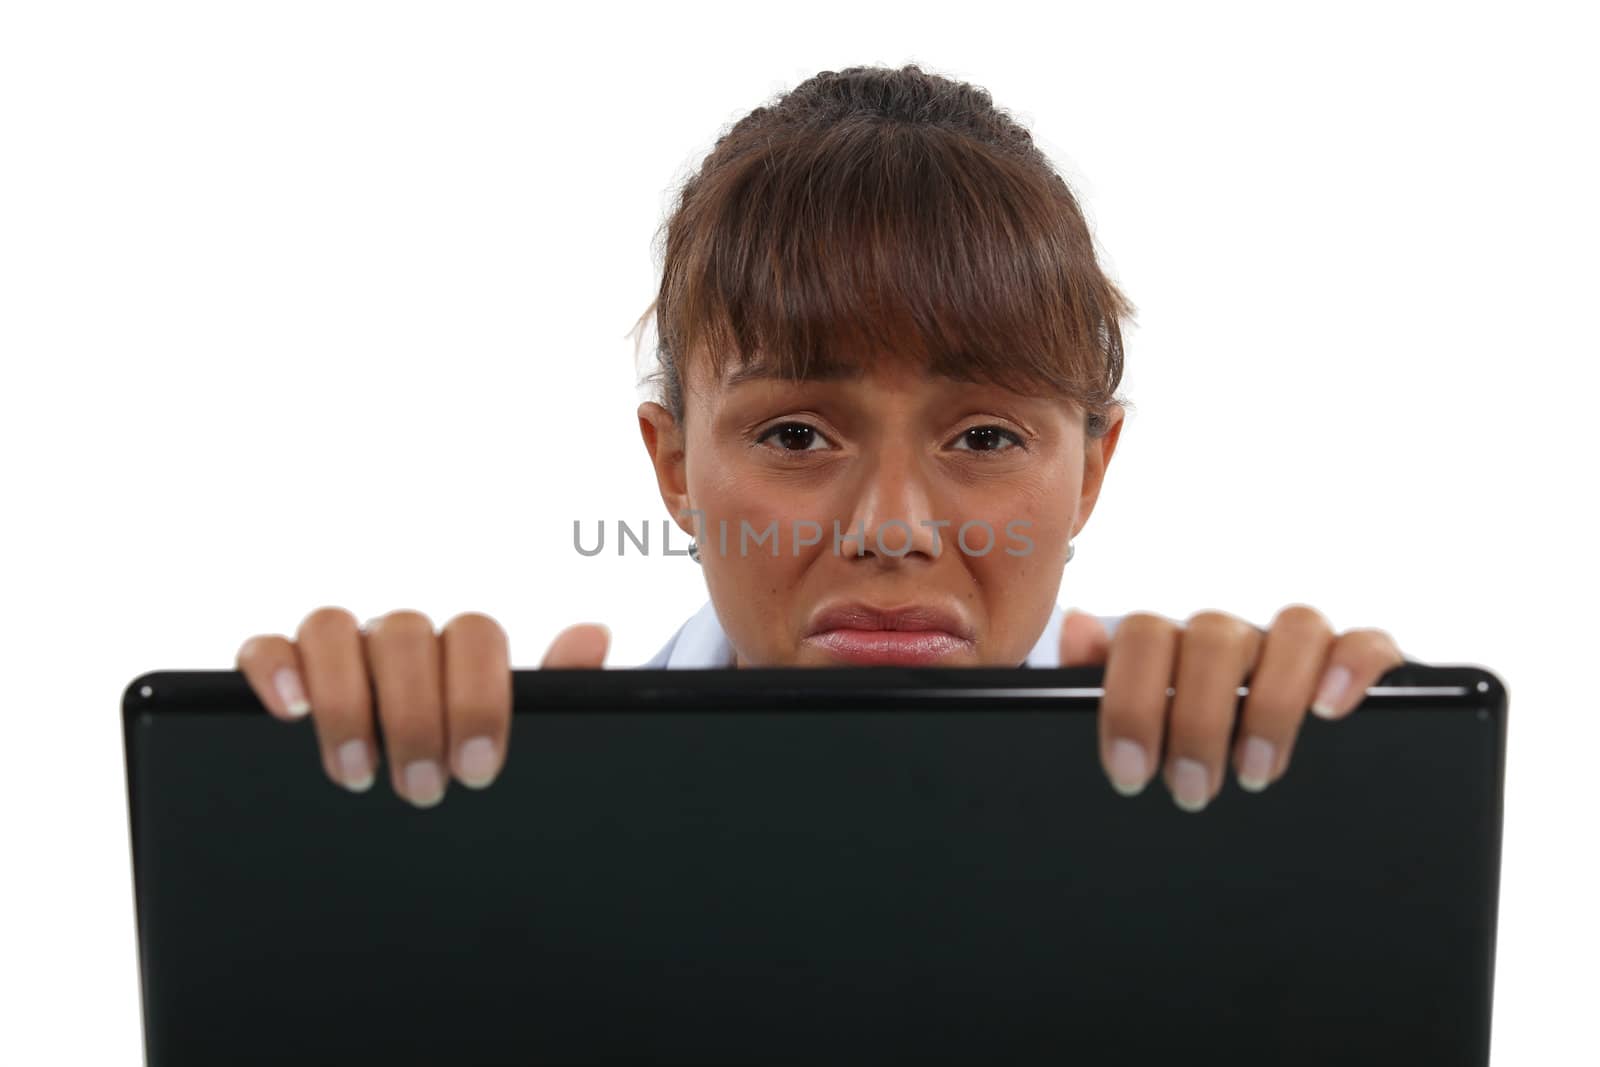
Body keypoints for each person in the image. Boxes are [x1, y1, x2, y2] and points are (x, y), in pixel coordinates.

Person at [234, 64, 1405, 816]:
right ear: (676, 465)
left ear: (1089, 471)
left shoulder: (1250, 793)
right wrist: (381, 853)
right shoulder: (498, 793)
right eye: (796, 431)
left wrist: (1322, 825)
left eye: (987, 435)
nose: (891, 525)